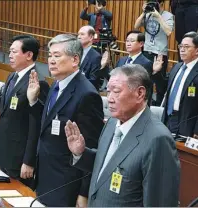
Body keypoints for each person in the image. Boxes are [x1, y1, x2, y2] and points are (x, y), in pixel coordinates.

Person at [66, 64, 180, 207]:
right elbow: (108, 166)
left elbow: (160, 202)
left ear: (140, 93)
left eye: (116, 91)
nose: (110, 99)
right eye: (108, 92)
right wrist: (81, 153)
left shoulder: (158, 139)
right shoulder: (112, 123)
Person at [30, 34, 104, 206]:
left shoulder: (87, 94)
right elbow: (48, 126)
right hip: (46, 177)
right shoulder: (56, 84)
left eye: (57, 55)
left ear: (75, 59)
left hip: (67, 185)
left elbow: (91, 147)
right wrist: (34, 101)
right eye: (50, 55)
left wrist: (84, 193)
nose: (51, 60)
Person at [0, 35, 49, 188]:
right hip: (5, 150)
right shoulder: (12, 76)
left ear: (29, 55)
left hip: (20, 156)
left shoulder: (39, 82)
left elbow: (36, 124)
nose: (9, 55)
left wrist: (29, 161)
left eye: (14, 52)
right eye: (9, 51)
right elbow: (4, 108)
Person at [134, 0, 174, 106]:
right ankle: (146, 105)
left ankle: (160, 108)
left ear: (161, 4)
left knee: (160, 84)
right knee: (146, 81)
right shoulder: (147, 14)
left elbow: (168, 31)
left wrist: (158, 17)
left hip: (160, 53)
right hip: (147, 51)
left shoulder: (167, 15)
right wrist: (143, 12)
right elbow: (136, 26)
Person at [162, 32, 198, 139]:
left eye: (186, 47)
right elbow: (164, 89)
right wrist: (157, 74)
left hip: (187, 123)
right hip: (168, 119)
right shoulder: (177, 67)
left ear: (197, 50)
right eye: (181, 46)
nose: (182, 49)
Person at [100, 31, 153, 103]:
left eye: (132, 41)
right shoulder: (121, 60)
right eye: (127, 41)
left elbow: (145, 88)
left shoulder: (146, 63)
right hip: (118, 100)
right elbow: (112, 79)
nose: (128, 43)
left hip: (133, 102)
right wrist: (104, 66)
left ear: (141, 44)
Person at [78, 25, 102, 90]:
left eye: (82, 34)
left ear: (91, 37)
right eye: (78, 34)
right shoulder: (74, 52)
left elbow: (94, 80)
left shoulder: (96, 57)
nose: (79, 37)